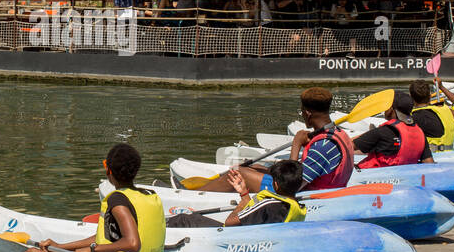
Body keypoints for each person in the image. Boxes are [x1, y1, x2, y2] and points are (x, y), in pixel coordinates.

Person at [15, 143, 165, 252]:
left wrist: (92, 250)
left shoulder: (118, 200)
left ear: (109, 172)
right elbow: (104, 238)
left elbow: (132, 243)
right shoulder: (148, 195)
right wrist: (59, 247)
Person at [198, 87, 354, 194]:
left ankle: (195, 196)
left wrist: (296, 144)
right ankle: (213, 190)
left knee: (239, 173)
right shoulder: (339, 133)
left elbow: (290, 186)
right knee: (258, 167)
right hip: (314, 186)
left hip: (301, 194)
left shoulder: (323, 145)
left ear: (307, 113)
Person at [167, 159, 307, 228]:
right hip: (259, 237)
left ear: (275, 184)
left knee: (183, 219)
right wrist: (244, 193)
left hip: (232, 238)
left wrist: (243, 202)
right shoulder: (298, 208)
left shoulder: (270, 204)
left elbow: (229, 223)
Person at [353, 91, 432, 167]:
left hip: (372, 176)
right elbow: (429, 162)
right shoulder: (420, 134)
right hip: (403, 176)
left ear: (391, 109)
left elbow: (349, 147)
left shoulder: (382, 132)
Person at [409, 79, 454, 150]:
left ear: (411, 98)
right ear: (430, 96)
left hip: (435, 155)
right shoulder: (445, 109)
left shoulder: (415, 117)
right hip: (450, 151)